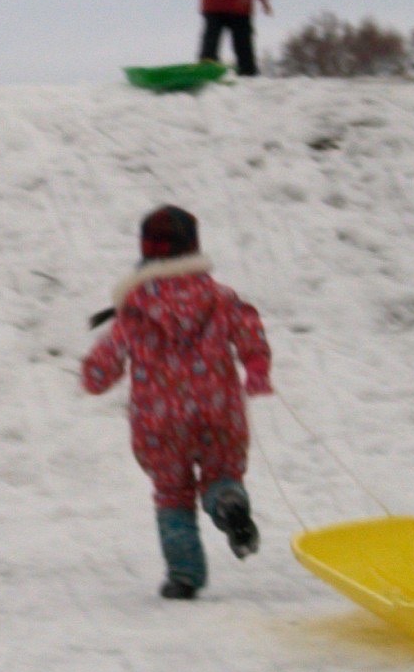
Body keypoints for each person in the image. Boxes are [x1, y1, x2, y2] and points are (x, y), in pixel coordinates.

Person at [82, 206, 272, 599]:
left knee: (173, 494)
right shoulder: (221, 299)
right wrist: (256, 371)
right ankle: (227, 501)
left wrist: (93, 376)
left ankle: (184, 576)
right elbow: (250, 333)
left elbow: (109, 359)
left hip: (160, 423)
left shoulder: (136, 311)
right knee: (221, 473)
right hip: (219, 411)